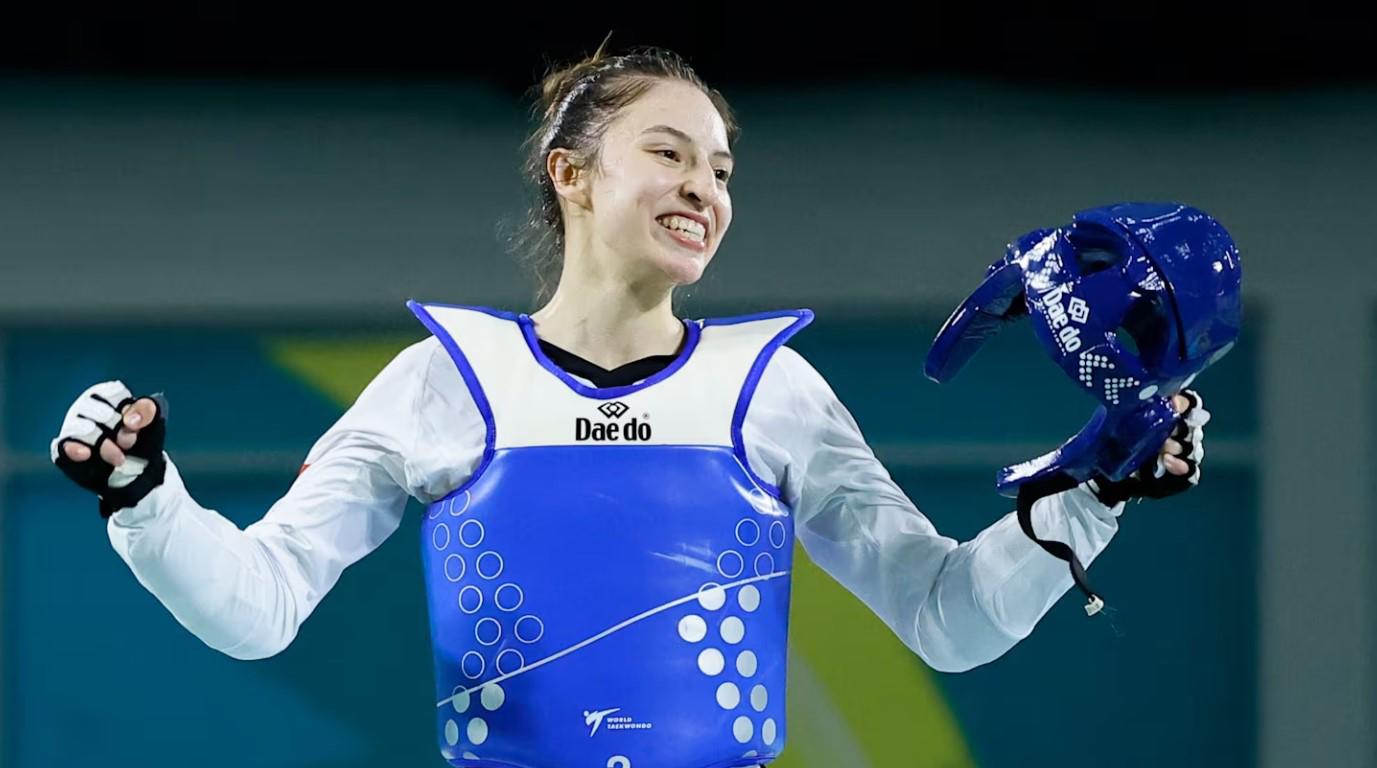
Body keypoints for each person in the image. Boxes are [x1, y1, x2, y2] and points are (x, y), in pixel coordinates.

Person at [50, 44, 1209, 768]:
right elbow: (258, 607)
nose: (705, 187)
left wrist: (1098, 488)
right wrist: (144, 498)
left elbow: (945, 619)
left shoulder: (773, 393)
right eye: (670, 153)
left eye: (721, 170)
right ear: (572, 171)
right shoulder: (442, 381)